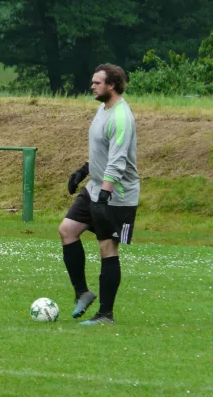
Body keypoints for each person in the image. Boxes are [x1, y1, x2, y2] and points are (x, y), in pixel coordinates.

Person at [59, 63, 140, 325]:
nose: (92, 86)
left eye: (97, 82)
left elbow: (117, 162)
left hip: (116, 194)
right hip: (96, 186)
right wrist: (83, 171)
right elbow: (101, 150)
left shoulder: (121, 118)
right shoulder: (103, 109)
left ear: (112, 85)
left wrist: (104, 196)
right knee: (67, 230)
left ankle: (106, 314)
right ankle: (83, 292)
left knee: (108, 248)